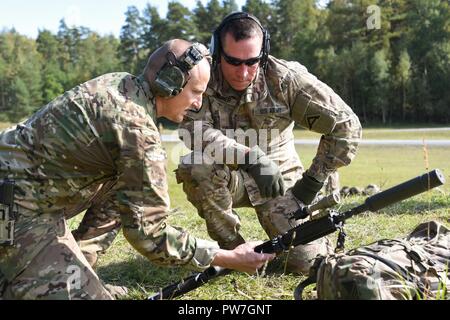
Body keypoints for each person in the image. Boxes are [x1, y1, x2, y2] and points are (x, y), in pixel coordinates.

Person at [0, 39, 274, 300]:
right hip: (17, 214)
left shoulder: (119, 83)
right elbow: (149, 233)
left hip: (22, 197)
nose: (198, 104)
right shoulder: (138, 132)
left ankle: (77, 263)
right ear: (171, 84)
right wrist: (228, 257)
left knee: (125, 185)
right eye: (196, 92)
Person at [176, 12, 362, 274]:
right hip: (230, 177)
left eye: (252, 62)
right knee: (195, 165)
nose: (243, 72)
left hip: (282, 183)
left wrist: (311, 184)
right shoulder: (201, 76)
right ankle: (233, 254)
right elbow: (192, 131)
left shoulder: (285, 80)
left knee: (305, 263)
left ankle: (294, 243)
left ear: (264, 53)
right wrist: (249, 158)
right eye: (233, 61)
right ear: (217, 51)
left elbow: (346, 125)